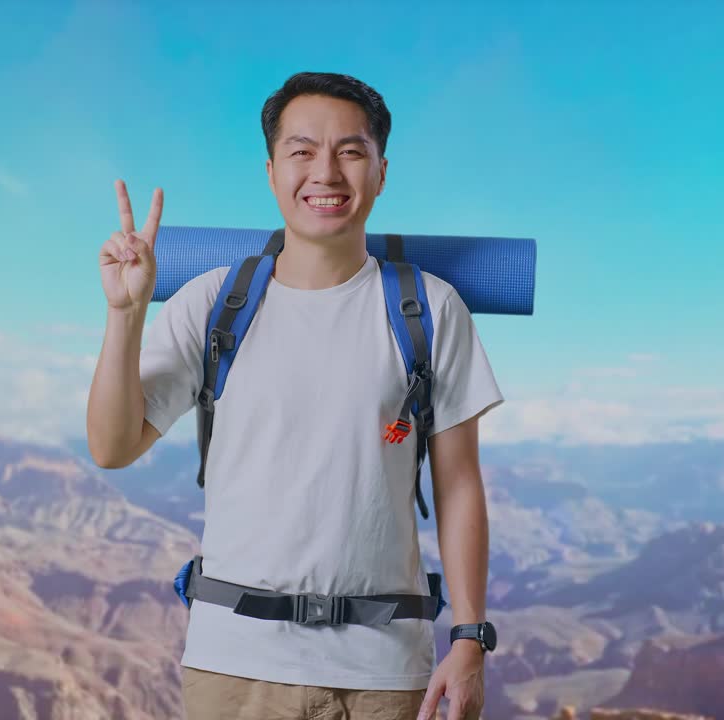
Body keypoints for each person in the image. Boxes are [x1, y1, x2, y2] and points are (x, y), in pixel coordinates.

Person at [87, 71, 503, 720]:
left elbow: (459, 486)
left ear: (382, 171)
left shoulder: (430, 310)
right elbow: (112, 447)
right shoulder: (213, 306)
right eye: (302, 151)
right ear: (271, 169)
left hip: (386, 673)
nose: (326, 173)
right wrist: (126, 314)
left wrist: (471, 638)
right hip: (237, 668)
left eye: (350, 151)